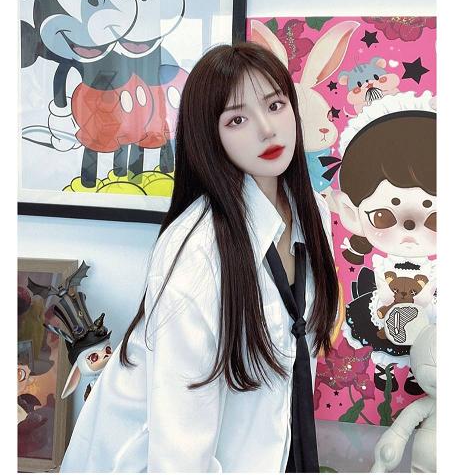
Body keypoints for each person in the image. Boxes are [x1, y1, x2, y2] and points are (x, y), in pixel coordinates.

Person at [60, 42, 339, 473]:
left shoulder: (312, 211)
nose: (267, 129)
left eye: (276, 105)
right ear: (210, 135)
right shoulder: (197, 252)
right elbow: (180, 450)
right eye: (237, 119)